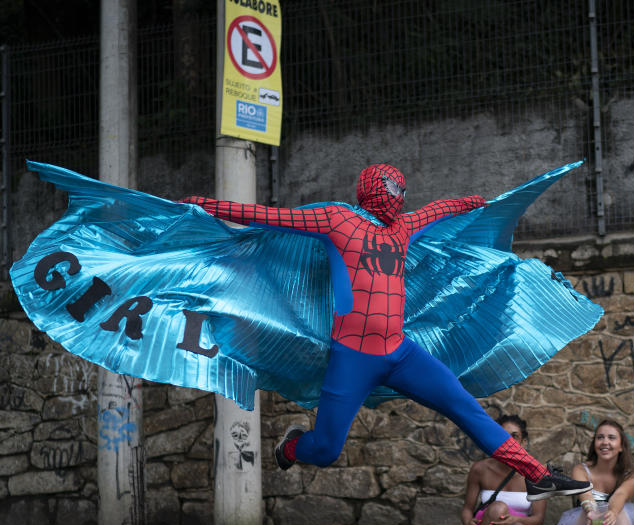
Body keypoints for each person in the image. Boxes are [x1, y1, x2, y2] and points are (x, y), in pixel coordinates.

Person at [181, 164, 591, 501]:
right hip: (352, 358)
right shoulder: (336, 218)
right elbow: (267, 217)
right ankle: (290, 446)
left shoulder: (402, 227)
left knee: (467, 408)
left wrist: (474, 204)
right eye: (390, 189)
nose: (396, 196)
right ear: (371, 190)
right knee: (324, 450)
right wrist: (206, 206)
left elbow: (439, 210)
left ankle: (536, 474)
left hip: (401, 353)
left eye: (399, 189)